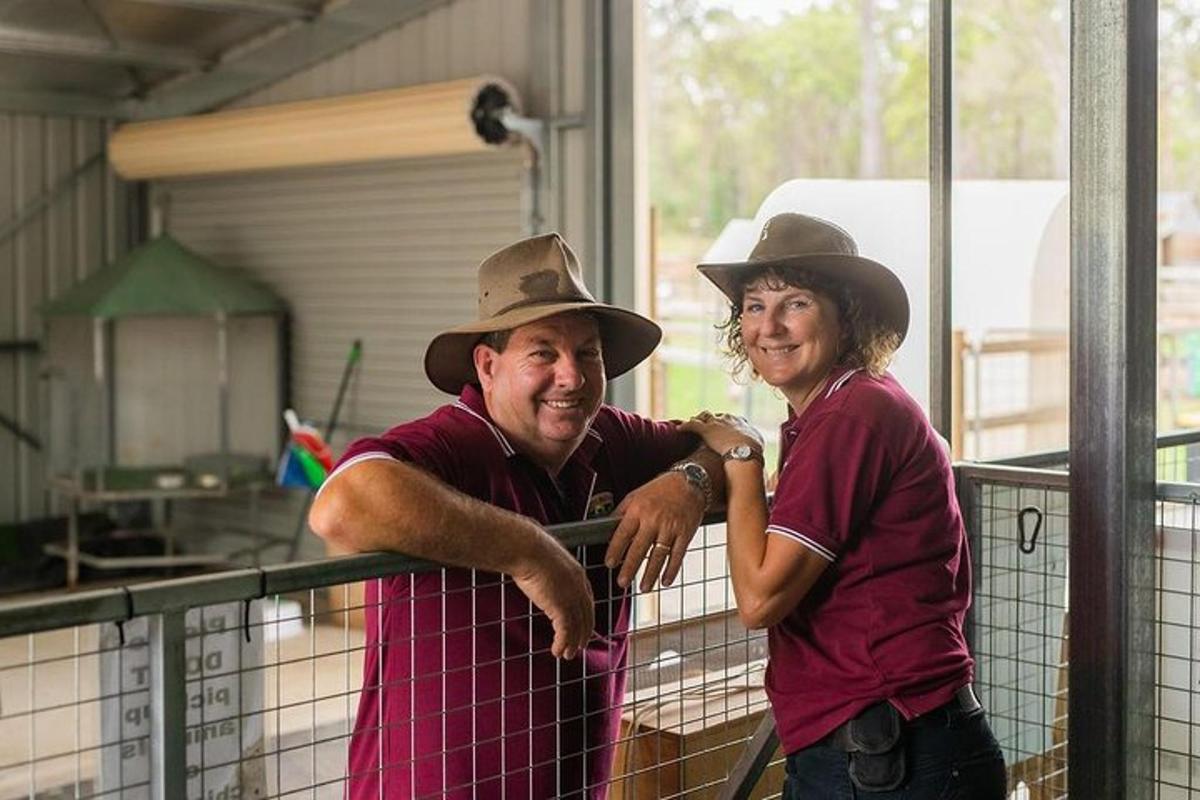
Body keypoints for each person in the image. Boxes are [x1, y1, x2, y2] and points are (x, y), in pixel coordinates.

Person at [309, 232, 724, 799]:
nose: (572, 377)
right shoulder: (450, 444)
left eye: (587, 353)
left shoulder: (610, 438)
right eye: (543, 352)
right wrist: (528, 552)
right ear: (487, 365)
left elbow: (729, 441)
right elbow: (341, 505)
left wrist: (689, 481)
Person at [679, 213, 1007, 798]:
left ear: (848, 316)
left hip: (890, 760)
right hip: (892, 747)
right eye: (754, 306)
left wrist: (740, 458)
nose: (771, 326)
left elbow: (759, 599)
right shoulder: (848, 405)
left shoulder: (850, 418)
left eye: (796, 302)